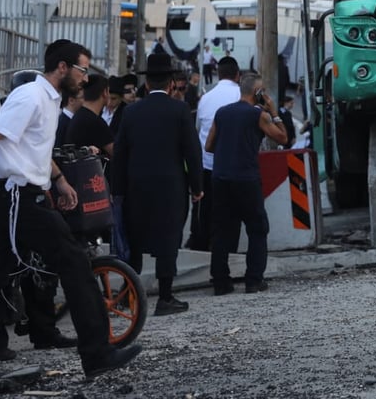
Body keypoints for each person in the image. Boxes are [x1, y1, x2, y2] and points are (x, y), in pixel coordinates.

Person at [0, 41, 141, 393]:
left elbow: (33, 148)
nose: (85, 78)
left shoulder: (49, 101)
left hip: (23, 195)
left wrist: (60, 180)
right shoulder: (31, 96)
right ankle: (96, 354)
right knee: (76, 262)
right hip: (18, 197)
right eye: (82, 70)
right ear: (63, 68)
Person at [111, 52, 203, 317]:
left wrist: (117, 192)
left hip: (135, 187)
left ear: (147, 84)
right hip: (170, 187)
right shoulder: (180, 110)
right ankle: (165, 297)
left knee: (135, 241)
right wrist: (197, 187)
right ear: (171, 83)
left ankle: (129, 294)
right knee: (168, 241)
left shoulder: (130, 112)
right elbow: (191, 152)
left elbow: (120, 155)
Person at [205, 73, 287, 295]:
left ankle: (221, 282)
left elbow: (209, 146)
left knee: (222, 230)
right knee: (257, 228)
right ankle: (253, 280)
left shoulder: (222, 113)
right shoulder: (258, 115)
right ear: (258, 93)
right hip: (246, 179)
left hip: (221, 178)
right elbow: (282, 138)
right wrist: (274, 111)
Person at [189, 56, 241, 251]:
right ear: (238, 75)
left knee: (206, 213)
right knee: (230, 216)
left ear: (218, 74)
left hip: (207, 166)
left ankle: (202, 250)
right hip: (234, 167)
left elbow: (198, 129)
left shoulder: (205, 99)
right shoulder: (240, 96)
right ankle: (227, 252)